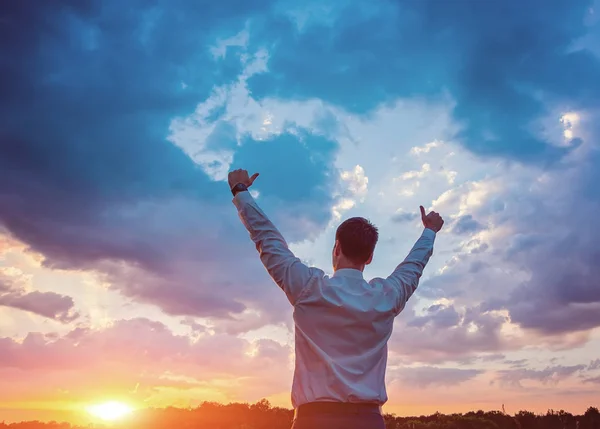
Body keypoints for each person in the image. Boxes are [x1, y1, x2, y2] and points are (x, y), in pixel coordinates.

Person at [229, 169, 444, 429]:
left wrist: (241, 191)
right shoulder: (387, 296)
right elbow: (414, 265)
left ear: (337, 248)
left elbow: (268, 239)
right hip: (369, 422)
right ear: (369, 257)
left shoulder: (307, 288)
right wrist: (430, 231)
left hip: (313, 421)